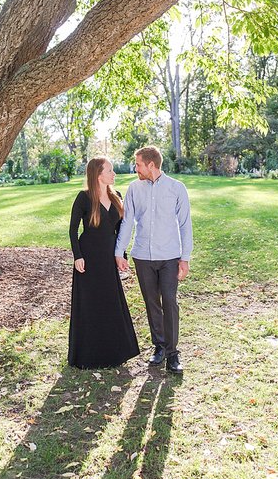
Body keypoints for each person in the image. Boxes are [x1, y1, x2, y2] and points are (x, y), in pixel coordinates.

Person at [115, 146, 193, 374]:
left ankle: (172, 353)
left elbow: (185, 225)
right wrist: (120, 252)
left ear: (151, 165)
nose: (135, 168)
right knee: (151, 303)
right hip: (143, 256)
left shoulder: (176, 188)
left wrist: (184, 258)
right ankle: (159, 347)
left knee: (169, 301)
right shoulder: (133, 189)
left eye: (138, 164)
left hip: (169, 256)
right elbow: (127, 222)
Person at [68, 158, 140, 369]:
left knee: (110, 302)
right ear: (98, 175)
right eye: (110, 170)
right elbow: (73, 230)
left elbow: (119, 231)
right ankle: (88, 355)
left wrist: (121, 255)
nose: (114, 173)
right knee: (90, 305)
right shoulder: (84, 198)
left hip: (109, 258)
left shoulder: (116, 196)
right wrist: (77, 256)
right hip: (89, 259)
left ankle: (115, 353)